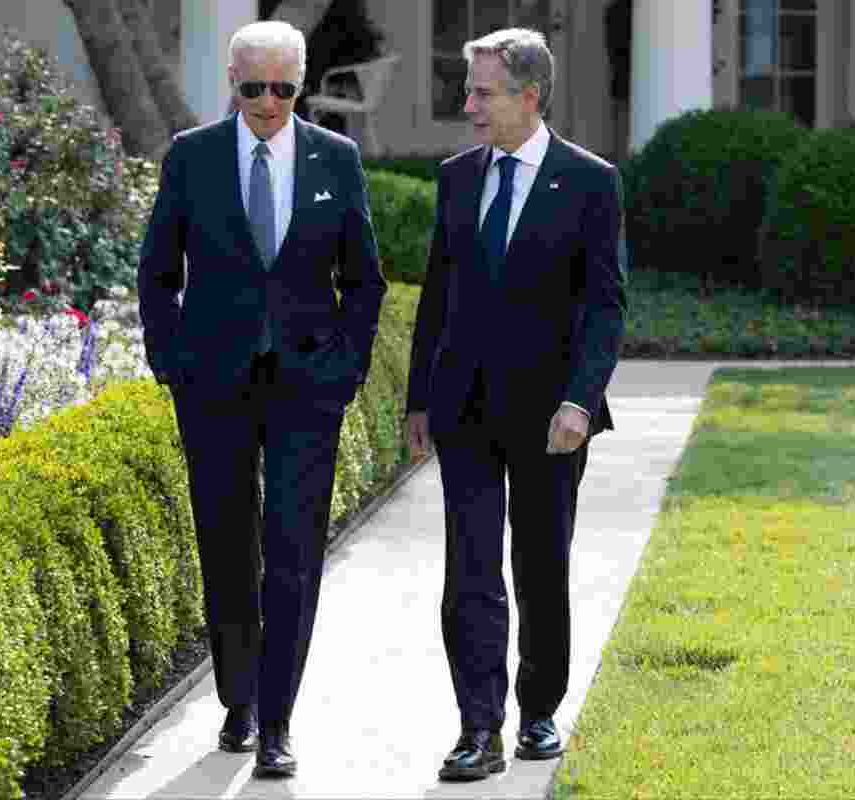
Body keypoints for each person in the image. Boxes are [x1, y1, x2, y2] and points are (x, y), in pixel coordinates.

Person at [137, 19, 386, 780]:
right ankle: (237, 699)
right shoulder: (192, 157)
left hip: (306, 388)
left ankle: (277, 721)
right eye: (255, 88)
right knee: (225, 542)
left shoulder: (335, 159)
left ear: (301, 85)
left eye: (284, 87)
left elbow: (364, 281)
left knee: (293, 550)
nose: (270, 102)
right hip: (214, 385)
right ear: (233, 84)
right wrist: (174, 364)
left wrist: (343, 371)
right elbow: (158, 274)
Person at [404, 27, 626, 781]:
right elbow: (438, 294)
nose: (468, 105)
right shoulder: (459, 176)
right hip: (463, 406)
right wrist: (416, 401)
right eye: (468, 90)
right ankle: (477, 728)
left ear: (529, 97)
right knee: (468, 571)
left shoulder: (590, 180)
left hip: (550, 417)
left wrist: (579, 400)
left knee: (539, 567)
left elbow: (605, 305)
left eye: (482, 92)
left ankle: (536, 713)